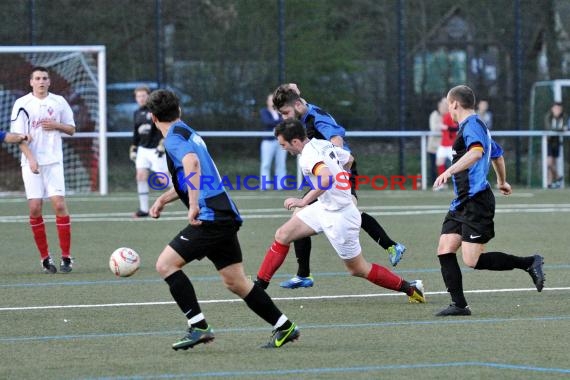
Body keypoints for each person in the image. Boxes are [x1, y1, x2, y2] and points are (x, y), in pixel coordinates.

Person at [146, 89, 299, 350]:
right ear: (179, 111)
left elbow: (192, 164)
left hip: (211, 215)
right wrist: (163, 199)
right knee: (235, 281)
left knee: (165, 265)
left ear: (152, 117)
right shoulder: (185, 130)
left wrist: (193, 205)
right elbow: (194, 176)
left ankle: (198, 326)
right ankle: (284, 326)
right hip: (223, 212)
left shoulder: (173, 139)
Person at [255, 119, 425, 304]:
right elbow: (349, 159)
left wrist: (303, 201)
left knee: (358, 269)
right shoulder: (320, 143)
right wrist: (341, 182)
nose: (283, 148)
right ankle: (259, 287)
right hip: (323, 208)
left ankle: (410, 288)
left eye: (283, 145)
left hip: (340, 217)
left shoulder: (308, 156)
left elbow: (326, 179)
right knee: (283, 235)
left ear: (295, 142)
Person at [265, 83, 406, 290]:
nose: (285, 118)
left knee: (344, 210)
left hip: (341, 170)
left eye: (286, 113)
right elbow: (294, 91)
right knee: (301, 214)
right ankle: (304, 274)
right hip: (325, 172)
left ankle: (391, 246)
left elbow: (337, 140)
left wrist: (336, 168)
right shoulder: (301, 110)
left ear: (296, 105)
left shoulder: (317, 118)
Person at [433, 85, 545, 316]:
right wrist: (502, 181)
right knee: (445, 248)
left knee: (472, 260)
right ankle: (459, 305)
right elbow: (497, 154)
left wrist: (449, 171)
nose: (449, 109)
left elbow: (476, 153)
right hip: (462, 201)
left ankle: (529, 262)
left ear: (454, 103)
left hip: (476, 202)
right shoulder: (476, 126)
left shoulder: (473, 126)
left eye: (449, 104)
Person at [10, 66, 76, 274]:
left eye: (44, 78)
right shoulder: (22, 104)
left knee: (58, 204)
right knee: (35, 208)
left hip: (54, 162)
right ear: (31, 82)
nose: (41, 81)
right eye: (37, 78)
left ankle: (66, 257)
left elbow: (72, 129)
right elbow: (18, 137)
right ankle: (45, 258)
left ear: (49, 81)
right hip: (31, 163)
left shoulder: (58, 102)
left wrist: (57, 124)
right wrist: (31, 159)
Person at [129, 86, 169, 217]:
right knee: (140, 176)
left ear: (148, 96)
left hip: (156, 150)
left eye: (143, 96)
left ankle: (194, 198)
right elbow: (136, 132)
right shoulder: (136, 113)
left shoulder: (155, 111)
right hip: (143, 150)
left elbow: (165, 128)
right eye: (138, 96)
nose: (141, 98)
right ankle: (144, 209)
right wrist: (134, 147)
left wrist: (163, 143)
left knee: (165, 180)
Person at [259, 93, 287, 190]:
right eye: (270, 100)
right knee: (266, 164)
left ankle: (281, 185)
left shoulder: (281, 111)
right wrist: (280, 122)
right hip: (268, 142)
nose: (272, 102)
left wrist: (281, 121)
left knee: (281, 164)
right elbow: (267, 122)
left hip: (281, 142)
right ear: (267, 102)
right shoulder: (264, 111)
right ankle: (265, 185)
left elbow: (286, 121)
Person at [434, 110, 459, 190]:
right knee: (439, 162)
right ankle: (442, 184)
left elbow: (456, 127)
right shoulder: (444, 115)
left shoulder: (452, 115)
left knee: (459, 165)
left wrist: (445, 127)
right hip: (444, 144)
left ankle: (463, 182)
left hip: (451, 144)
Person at [543, 102, 566, 189]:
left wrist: (562, 129)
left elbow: (566, 127)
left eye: (559, 109)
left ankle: (550, 184)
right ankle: (558, 177)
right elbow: (549, 128)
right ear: (552, 109)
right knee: (549, 163)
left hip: (557, 143)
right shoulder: (548, 116)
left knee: (553, 164)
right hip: (549, 142)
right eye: (555, 109)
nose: (557, 111)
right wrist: (560, 129)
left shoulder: (564, 117)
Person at [428, 97, 447, 184]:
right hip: (434, 147)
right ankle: (435, 183)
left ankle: (444, 183)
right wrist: (445, 129)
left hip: (447, 146)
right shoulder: (434, 115)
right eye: (444, 104)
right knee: (434, 166)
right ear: (439, 105)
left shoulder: (451, 116)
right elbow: (434, 129)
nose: (445, 106)